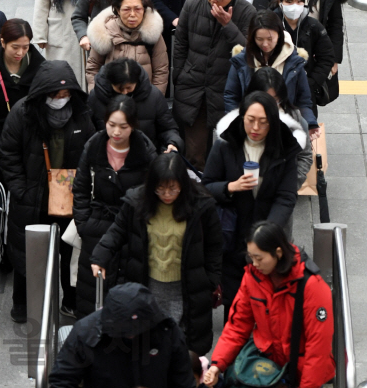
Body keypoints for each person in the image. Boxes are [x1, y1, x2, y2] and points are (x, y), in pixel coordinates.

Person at [90, 153, 222, 354]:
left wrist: (210, 281)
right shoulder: (137, 202)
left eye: (173, 188)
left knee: (181, 346)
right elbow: (116, 231)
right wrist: (100, 257)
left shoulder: (201, 206)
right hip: (147, 284)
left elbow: (215, 246)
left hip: (186, 289)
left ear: (183, 184)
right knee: (146, 344)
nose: (167, 194)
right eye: (160, 188)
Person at [0, 60, 95, 322]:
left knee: (69, 253)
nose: (61, 99)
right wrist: (20, 189)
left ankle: (71, 301)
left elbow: (91, 152)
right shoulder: (23, 113)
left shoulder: (81, 113)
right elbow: (8, 153)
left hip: (69, 198)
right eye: (55, 94)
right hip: (33, 198)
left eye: (66, 94)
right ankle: (22, 303)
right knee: (26, 253)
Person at [202, 92, 303, 312]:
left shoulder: (285, 149)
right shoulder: (225, 145)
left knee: (268, 307)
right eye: (250, 120)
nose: (255, 128)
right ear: (242, 118)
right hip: (232, 237)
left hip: (267, 241)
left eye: (263, 122)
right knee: (236, 309)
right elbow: (205, 186)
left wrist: (266, 233)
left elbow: (286, 196)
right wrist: (230, 187)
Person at [204, 222, 335, 388]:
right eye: (251, 257)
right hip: (268, 370)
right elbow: (237, 325)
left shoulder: (311, 285)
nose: (255, 263)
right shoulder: (253, 277)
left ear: (278, 253)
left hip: (302, 372)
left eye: (259, 258)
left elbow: (318, 348)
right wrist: (217, 364)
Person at [73, 97, 158, 316]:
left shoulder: (145, 150)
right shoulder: (94, 145)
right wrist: (83, 223)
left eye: (123, 127)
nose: (116, 132)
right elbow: (81, 186)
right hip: (97, 225)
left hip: (132, 227)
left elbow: (153, 191)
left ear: (133, 126)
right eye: (112, 125)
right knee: (91, 291)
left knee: (127, 292)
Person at [173, 0, 256, 169]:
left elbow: (249, 52)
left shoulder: (247, 12)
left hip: (227, 89)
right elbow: (180, 44)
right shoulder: (193, 4)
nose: (213, 0)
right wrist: (180, 76)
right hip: (194, 87)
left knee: (227, 152)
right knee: (194, 153)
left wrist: (228, 26)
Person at [49, 281, 195, 388]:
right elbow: (62, 380)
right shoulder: (86, 333)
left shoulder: (167, 331)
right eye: (124, 332)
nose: (131, 336)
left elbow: (183, 381)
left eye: (138, 331)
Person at [224, 10, 318, 132]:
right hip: (251, 127)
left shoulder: (294, 61)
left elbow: (303, 100)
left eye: (270, 38)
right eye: (259, 39)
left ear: (279, 34)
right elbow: (231, 96)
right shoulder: (242, 61)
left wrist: (310, 123)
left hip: (284, 127)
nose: (265, 44)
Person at [0, 19, 45, 148]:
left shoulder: (39, 65)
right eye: (15, 47)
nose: (20, 53)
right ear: (3, 42)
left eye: (25, 47)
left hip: (30, 135)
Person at [86, 0, 168, 93]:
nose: (132, 14)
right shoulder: (105, 32)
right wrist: (98, 96)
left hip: (144, 98)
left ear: (144, 9)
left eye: (137, 9)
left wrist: (154, 99)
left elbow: (161, 71)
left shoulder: (152, 32)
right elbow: (93, 69)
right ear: (117, 10)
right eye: (126, 9)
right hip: (110, 100)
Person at [89, 56, 183, 151]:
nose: (124, 92)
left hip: (145, 156)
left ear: (136, 81)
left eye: (129, 88)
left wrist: (172, 143)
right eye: (120, 88)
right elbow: (88, 132)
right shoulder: (96, 96)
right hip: (106, 157)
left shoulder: (153, 96)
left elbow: (167, 128)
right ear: (111, 82)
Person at [270, 0, 336, 110]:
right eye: (289, 1)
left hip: (305, 91)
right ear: (280, 2)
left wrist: (311, 83)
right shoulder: (270, 24)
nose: (295, 6)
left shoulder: (314, 26)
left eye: (299, 1)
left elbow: (326, 58)